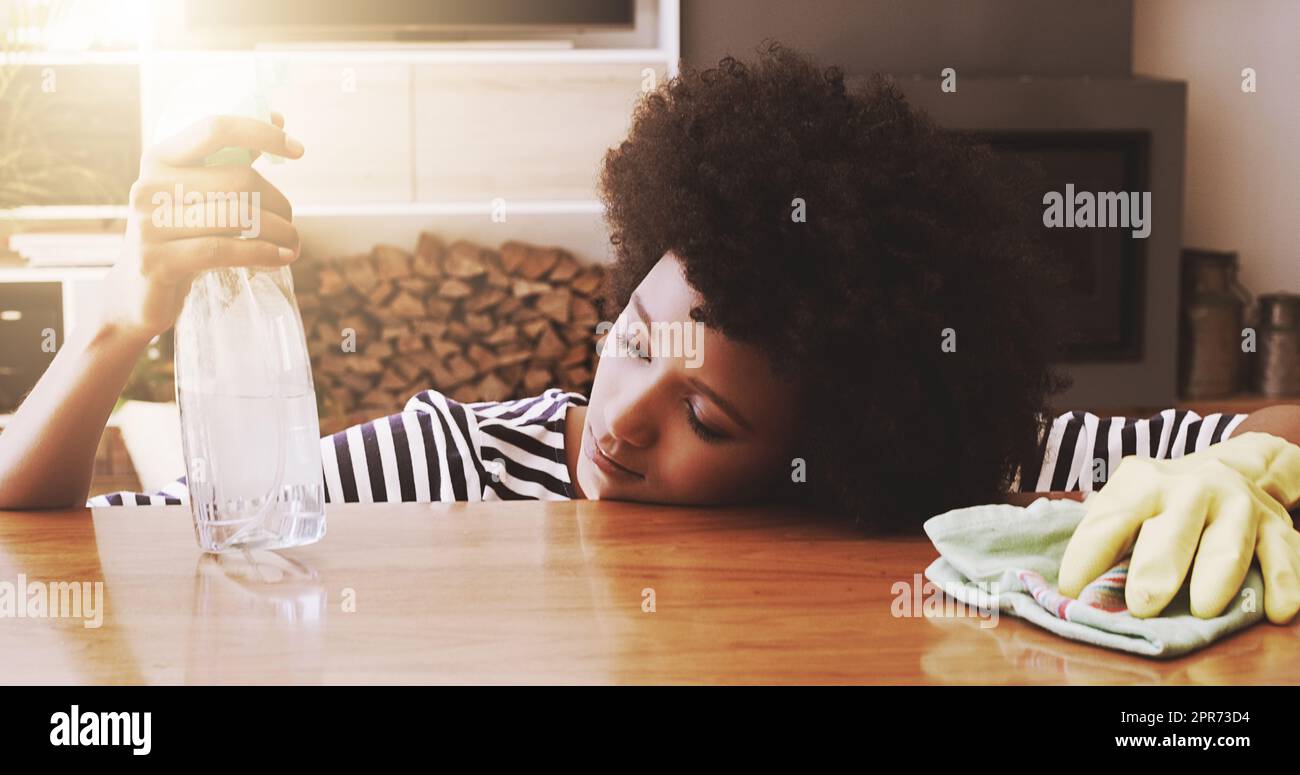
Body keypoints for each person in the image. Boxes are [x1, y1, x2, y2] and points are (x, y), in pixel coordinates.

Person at [4, 43, 1300, 535]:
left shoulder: (924, 487)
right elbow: (46, 522)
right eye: (637, 338)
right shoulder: (461, 469)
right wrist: (129, 317)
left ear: (835, 453)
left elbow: (1254, 443)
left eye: (713, 421)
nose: (621, 421)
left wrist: (1198, 490)